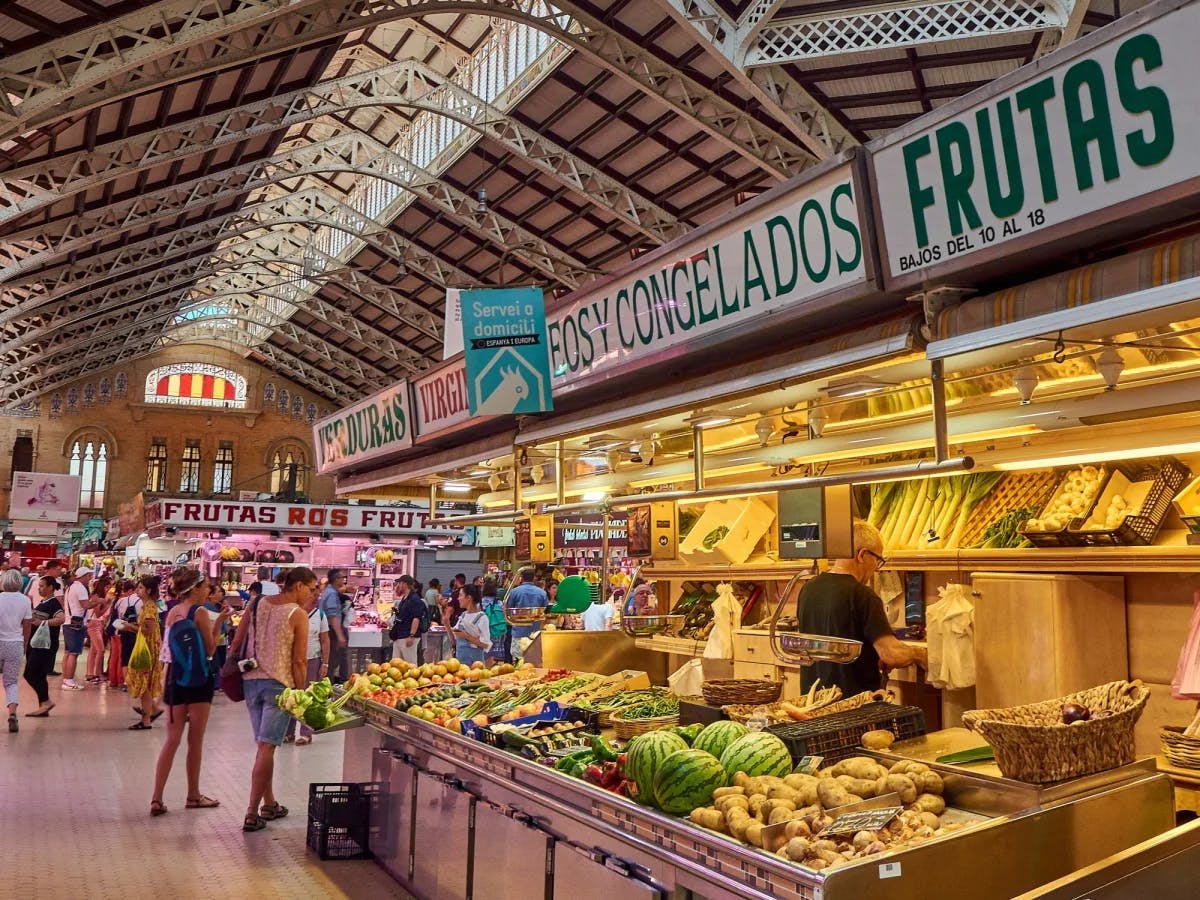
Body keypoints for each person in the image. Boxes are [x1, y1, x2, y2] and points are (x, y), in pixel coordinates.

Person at [796, 519, 927, 696]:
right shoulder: (863, 595)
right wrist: (918, 654)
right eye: (878, 560)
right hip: (852, 706)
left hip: (814, 703)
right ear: (862, 554)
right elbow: (891, 654)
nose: (876, 568)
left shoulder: (809, 588)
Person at [235, 567, 312, 832]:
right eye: (311, 589)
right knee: (267, 749)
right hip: (278, 686)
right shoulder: (298, 614)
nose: (312, 595)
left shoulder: (258, 603)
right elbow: (299, 660)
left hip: (250, 681)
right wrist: (301, 694)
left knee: (263, 748)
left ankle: (270, 803)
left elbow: (238, 639)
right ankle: (251, 812)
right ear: (299, 586)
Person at [148, 567, 230, 816]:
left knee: (172, 740)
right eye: (205, 587)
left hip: (175, 679)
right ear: (194, 588)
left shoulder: (172, 612)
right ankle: (193, 795)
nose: (208, 591)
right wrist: (220, 625)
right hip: (199, 681)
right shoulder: (201, 612)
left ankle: (157, 797)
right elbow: (209, 650)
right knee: (195, 741)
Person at [288, 583, 330, 746]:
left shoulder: (319, 615)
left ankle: (306, 732)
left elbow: (325, 640)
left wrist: (325, 663)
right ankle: (288, 731)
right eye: (313, 593)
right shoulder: (292, 613)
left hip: (312, 660)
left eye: (317, 594)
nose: (315, 596)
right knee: (291, 695)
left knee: (308, 696)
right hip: (292, 660)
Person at [125, 576, 165, 730]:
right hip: (147, 648)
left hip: (147, 650)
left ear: (148, 590)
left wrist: (130, 627)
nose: (137, 590)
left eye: (141, 587)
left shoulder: (149, 607)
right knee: (144, 683)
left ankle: (146, 719)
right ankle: (152, 710)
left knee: (144, 685)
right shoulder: (146, 606)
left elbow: (148, 630)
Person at [23, 576, 64, 717]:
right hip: (36, 643)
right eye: (38, 586)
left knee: (30, 673)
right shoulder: (43, 602)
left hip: (44, 645)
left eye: (42, 586)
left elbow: (61, 619)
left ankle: (45, 702)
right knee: (39, 675)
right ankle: (43, 704)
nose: (39, 589)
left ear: (50, 587)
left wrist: (42, 623)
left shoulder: (53, 603)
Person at [0, 569, 33, 730]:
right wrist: (25, 643)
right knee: (11, 682)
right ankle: (12, 713)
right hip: (15, 643)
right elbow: (27, 625)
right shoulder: (25, 600)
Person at [60, 567, 94, 690]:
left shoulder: (70, 587)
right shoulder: (80, 588)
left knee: (68, 652)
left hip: (68, 622)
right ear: (83, 576)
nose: (89, 579)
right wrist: (98, 601)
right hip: (77, 624)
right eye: (88, 576)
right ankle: (69, 680)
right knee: (74, 653)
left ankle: (66, 679)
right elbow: (86, 605)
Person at [505, 568, 547, 661]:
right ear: (534, 578)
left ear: (521, 578)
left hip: (519, 633)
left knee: (518, 663)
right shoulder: (542, 593)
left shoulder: (514, 592)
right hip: (535, 635)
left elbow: (508, 610)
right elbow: (546, 612)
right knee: (535, 664)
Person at [108, 579, 140, 689]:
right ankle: (124, 681)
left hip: (119, 629)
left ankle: (115, 681)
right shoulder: (140, 601)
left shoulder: (120, 601)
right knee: (129, 657)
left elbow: (118, 615)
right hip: (133, 631)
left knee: (117, 656)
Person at [319, 569, 347, 681]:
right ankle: (327, 688)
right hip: (332, 631)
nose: (344, 579)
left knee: (332, 660)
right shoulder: (331, 593)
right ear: (336, 579)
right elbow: (332, 616)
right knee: (332, 661)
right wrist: (340, 635)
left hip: (329, 630)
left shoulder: (330, 591)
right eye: (342, 577)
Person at [452, 585, 491, 667]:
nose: (458, 598)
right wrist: (447, 624)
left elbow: (486, 644)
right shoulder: (463, 615)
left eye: (460, 595)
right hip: (460, 664)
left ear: (469, 597)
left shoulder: (482, 618)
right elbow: (454, 640)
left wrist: (466, 636)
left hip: (475, 665)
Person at [390, 575, 425, 665]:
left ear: (404, 584)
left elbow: (416, 618)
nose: (398, 586)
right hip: (400, 635)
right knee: (396, 665)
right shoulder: (405, 598)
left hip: (407, 637)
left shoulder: (414, 599)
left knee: (410, 665)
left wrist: (411, 635)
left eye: (399, 583)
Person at [85, 577, 112, 684]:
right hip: (94, 623)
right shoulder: (96, 597)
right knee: (100, 650)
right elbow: (98, 613)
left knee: (93, 650)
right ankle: (97, 674)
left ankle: (90, 674)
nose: (109, 588)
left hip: (98, 624)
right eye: (107, 586)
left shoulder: (101, 597)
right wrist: (108, 605)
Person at [481, 576, 507, 665]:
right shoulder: (499, 603)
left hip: (484, 632)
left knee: (485, 655)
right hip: (497, 631)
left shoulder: (480, 603)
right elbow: (504, 617)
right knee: (496, 657)